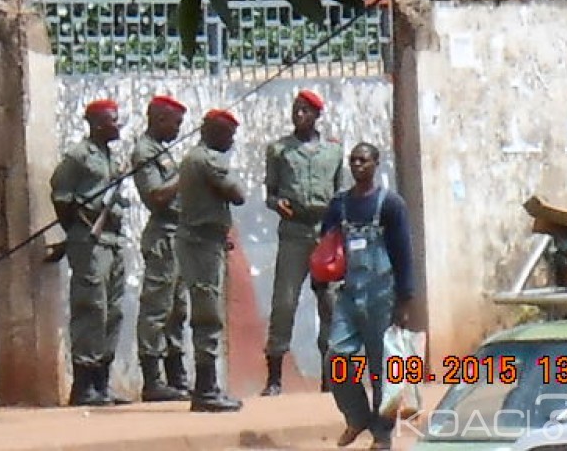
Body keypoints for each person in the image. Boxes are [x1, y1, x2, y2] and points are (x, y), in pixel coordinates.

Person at [319, 143, 414, 449]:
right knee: (337, 355)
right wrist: (321, 279)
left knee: (380, 368)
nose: (357, 165)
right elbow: (326, 243)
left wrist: (405, 298)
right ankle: (356, 415)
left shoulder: (390, 204)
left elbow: (403, 253)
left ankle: (382, 433)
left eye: (364, 160)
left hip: (381, 295)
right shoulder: (339, 205)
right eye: (354, 161)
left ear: (376, 164)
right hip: (349, 295)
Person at [261, 89, 346, 396]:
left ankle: (330, 375)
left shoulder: (333, 152)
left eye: (305, 111)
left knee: (331, 304)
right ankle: (274, 378)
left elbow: (341, 195)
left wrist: (339, 232)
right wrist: (276, 203)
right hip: (294, 231)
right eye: (296, 110)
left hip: (324, 232)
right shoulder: (279, 150)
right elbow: (269, 192)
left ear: (317, 115)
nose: (299, 115)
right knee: (284, 302)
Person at [50, 99, 131, 407]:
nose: (117, 125)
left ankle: (102, 383)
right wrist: (77, 229)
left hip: (112, 239)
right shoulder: (79, 156)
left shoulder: (110, 157)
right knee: (91, 307)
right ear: (97, 124)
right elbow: (60, 194)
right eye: (112, 120)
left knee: (113, 310)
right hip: (90, 241)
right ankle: (84, 385)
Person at [175, 109, 247, 412]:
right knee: (208, 314)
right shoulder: (208, 160)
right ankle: (205, 389)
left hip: (205, 239)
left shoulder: (194, 158)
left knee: (207, 309)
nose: (231, 141)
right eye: (228, 135)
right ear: (216, 133)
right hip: (201, 243)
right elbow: (238, 194)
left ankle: (208, 386)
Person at [132, 95, 191, 402]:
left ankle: (176, 375)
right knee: (157, 308)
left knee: (177, 309)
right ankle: (152, 379)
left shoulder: (161, 151)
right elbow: (155, 196)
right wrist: (184, 176)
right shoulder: (144, 151)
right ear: (159, 119)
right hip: (162, 238)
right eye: (175, 123)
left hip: (178, 236)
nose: (179, 130)